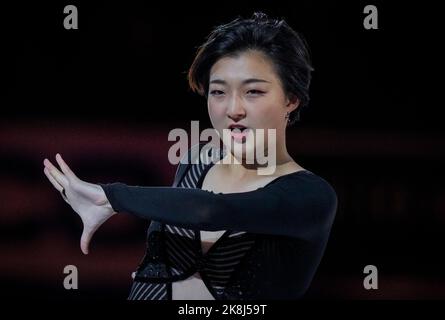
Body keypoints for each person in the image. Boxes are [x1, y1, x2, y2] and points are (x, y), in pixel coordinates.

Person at [43, 12, 337, 300]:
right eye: (218, 92)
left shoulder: (311, 196)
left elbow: (211, 212)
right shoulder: (196, 163)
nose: (233, 109)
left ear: (291, 98)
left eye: (253, 92)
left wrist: (110, 197)